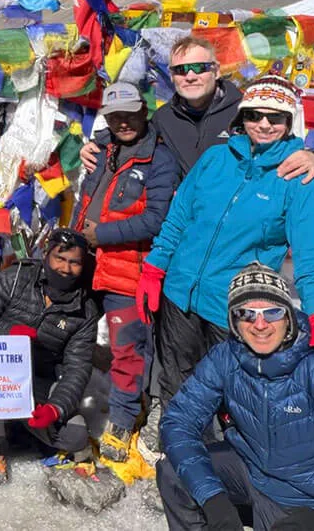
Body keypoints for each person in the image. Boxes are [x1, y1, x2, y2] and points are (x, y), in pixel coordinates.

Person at [138, 76, 314, 412]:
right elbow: (179, 218)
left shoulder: (297, 179)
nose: (264, 124)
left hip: (233, 309)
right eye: (254, 115)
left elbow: (312, 256)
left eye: (275, 117)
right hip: (179, 295)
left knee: (225, 398)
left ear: (289, 121)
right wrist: (155, 266)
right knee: (176, 385)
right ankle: (176, 437)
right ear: (241, 117)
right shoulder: (215, 158)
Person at [157, 263, 314, 530]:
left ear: (288, 316)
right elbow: (178, 421)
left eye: (272, 312)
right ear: (234, 321)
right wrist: (212, 497)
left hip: (299, 498)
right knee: (173, 472)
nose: (260, 324)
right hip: (248, 469)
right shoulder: (226, 357)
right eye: (246, 313)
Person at [71, 82, 179, 463]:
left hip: (128, 267)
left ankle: (122, 418)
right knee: (71, 337)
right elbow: (85, 200)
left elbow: (156, 219)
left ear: (144, 111)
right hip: (84, 261)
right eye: (115, 116)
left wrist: (100, 234)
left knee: (128, 348)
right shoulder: (101, 149)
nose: (123, 122)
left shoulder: (159, 159)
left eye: (130, 114)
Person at [81, 36, 314, 180]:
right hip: (190, 225)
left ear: (216, 71)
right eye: (181, 70)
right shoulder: (164, 118)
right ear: (172, 76)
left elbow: (286, 146)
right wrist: (97, 144)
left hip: (243, 225)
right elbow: (134, 135)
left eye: (199, 68)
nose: (190, 76)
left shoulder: (247, 110)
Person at [0, 229, 100, 484]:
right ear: (47, 255)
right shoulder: (16, 277)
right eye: (60, 258)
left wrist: (55, 408)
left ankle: (23, 425)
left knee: (75, 436)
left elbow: (78, 368)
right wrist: (8, 331)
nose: (66, 268)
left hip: (39, 377)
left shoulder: (86, 310)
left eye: (74, 262)